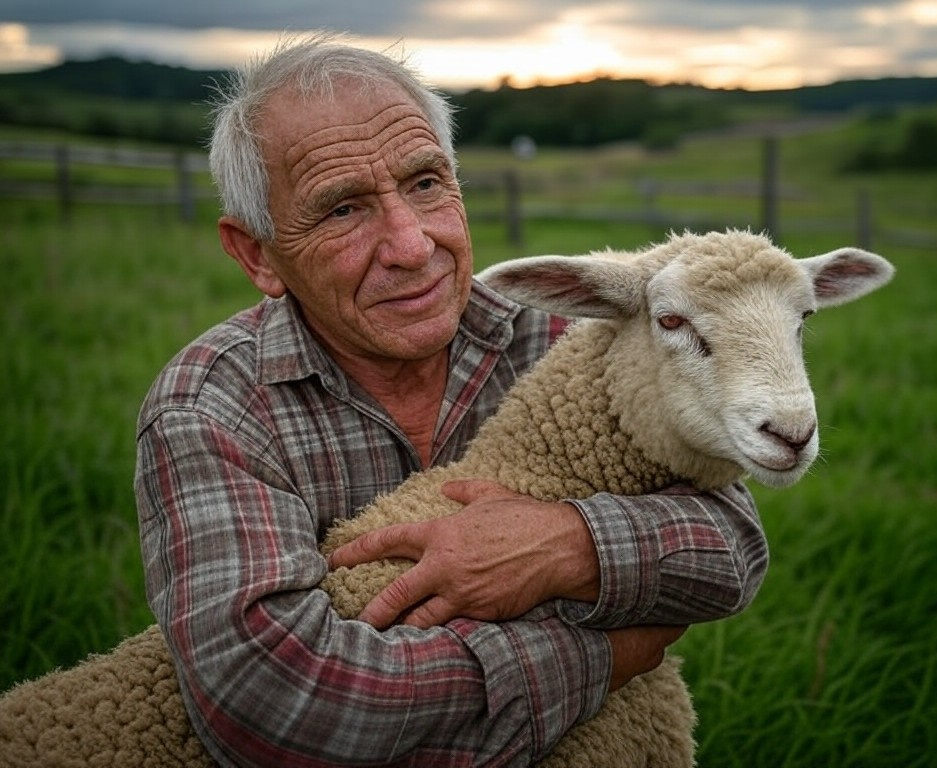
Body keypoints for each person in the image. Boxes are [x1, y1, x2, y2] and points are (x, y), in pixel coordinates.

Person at [135, 33, 769, 767]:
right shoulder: (210, 410)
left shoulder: (565, 335)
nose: (412, 243)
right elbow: (277, 705)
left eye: (426, 183)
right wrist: (605, 658)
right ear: (258, 255)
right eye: (343, 210)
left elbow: (732, 543)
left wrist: (567, 543)